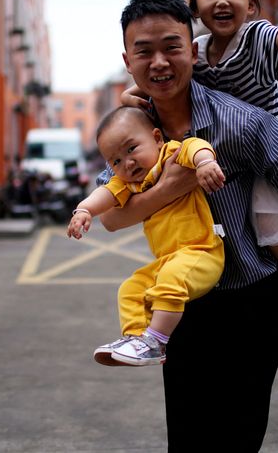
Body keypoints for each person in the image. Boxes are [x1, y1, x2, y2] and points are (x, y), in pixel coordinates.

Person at [100, 0, 278, 451]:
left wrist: (269, 164)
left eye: (171, 46)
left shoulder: (241, 122)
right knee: (187, 439)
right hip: (179, 308)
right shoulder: (127, 133)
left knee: (239, 439)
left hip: (251, 301)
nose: (160, 62)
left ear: (192, 48)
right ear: (128, 60)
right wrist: (172, 187)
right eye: (144, 51)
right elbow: (109, 218)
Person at [122, 0, 278, 342]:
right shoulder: (153, 109)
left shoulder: (256, 38)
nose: (222, 2)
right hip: (180, 293)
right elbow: (113, 216)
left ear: (251, 4)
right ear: (196, 9)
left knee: (266, 216)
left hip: (273, 125)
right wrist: (175, 183)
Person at [67, 106, 226, 367]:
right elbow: (105, 194)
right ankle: (136, 339)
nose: (127, 163)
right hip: (169, 259)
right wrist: (84, 210)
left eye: (131, 149)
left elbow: (196, 145)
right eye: (115, 161)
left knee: (171, 279)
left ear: (156, 138)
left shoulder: (170, 154)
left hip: (202, 252)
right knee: (131, 289)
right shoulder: (129, 182)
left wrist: (205, 162)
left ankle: (156, 341)